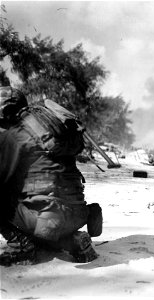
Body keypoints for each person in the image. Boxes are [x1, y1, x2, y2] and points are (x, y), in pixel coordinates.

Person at [0, 85, 102, 266]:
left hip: (49, 218)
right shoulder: (51, 129)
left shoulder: (13, 136)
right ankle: (75, 240)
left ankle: (22, 247)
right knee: (46, 219)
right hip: (76, 213)